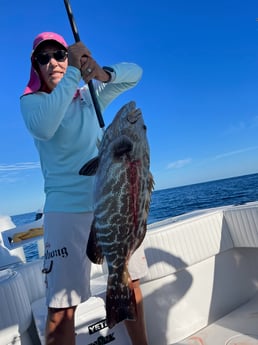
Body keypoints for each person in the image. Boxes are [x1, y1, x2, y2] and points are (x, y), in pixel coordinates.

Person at [20, 32, 149, 345]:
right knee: (63, 307)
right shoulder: (32, 103)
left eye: (60, 55)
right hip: (65, 211)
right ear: (35, 66)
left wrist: (102, 73)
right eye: (43, 57)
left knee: (125, 279)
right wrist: (76, 72)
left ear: (68, 57)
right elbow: (45, 126)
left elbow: (135, 74)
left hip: (108, 200)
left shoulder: (88, 96)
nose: (52, 62)